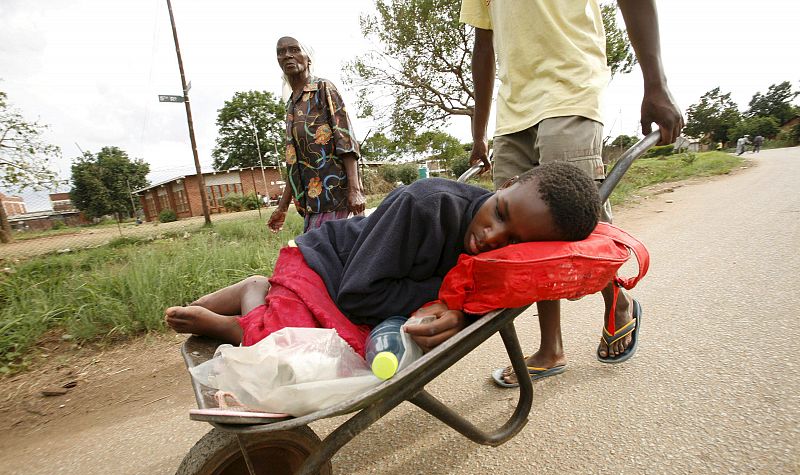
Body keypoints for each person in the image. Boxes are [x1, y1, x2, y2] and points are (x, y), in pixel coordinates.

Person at [460, 0, 684, 386]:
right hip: (512, 111)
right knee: (524, 237)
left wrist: (656, 83)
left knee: (577, 221)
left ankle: (619, 301)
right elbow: (484, 45)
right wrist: (479, 132)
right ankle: (551, 347)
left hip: (570, 88)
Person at [165, 162, 601, 352]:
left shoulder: (508, 260)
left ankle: (260, 298)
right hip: (326, 267)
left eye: (513, 241)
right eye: (499, 212)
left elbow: (479, 296)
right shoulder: (424, 205)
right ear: (506, 183)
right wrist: (448, 298)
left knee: (326, 352)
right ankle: (242, 314)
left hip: (363, 284)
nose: (491, 237)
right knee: (294, 348)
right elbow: (358, 296)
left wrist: (462, 314)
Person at [267, 36, 366, 234]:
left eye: (294, 49)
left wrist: (355, 191)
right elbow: (294, 162)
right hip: (312, 204)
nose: (287, 56)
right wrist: (282, 207)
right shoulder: (291, 105)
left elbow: (346, 140)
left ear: (308, 58)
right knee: (320, 258)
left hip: (337, 198)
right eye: (281, 52)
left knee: (326, 258)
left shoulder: (323, 89)